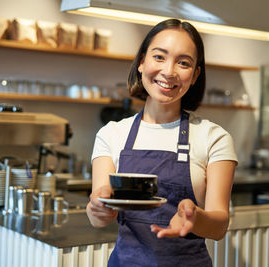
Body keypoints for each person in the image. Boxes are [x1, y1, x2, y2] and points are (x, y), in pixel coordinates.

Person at [86, 18, 237, 267]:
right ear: (141, 62)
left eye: (184, 62)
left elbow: (220, 225)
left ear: (196, 74)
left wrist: (195, 217)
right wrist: (97, 209)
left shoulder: (214, 138)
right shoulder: (111, 134)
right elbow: (99, 218)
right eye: (159, 57)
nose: (169, 71)